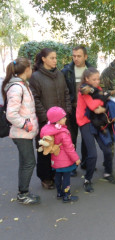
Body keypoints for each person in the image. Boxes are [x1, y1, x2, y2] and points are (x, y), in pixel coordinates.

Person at [29, 48, 72, 189]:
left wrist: (66, 112)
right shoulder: (36, 77)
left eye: (55, 58)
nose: (55, 60)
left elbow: (66, 93)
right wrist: (45, 117)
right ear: (44, 59)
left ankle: (56, 174)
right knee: (45, 148)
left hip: (60, 121)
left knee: (58, 147)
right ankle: (45, 177)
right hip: (46, 122)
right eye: (52, 58)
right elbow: (35, 99)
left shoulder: (59, 74)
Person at [1, 58, 40, 204]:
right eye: (31, 68)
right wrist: (26, 125)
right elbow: (11, 114)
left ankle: (23, 192)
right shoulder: (17, 87)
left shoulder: (23, 85)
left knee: (25, 162)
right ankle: (23, 194)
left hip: (24, 132)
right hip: (21, 133)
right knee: (29, 163)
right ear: (27, 69)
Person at [77, 67, 115, 193]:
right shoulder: (84, 91)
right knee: (92, 154)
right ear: (86, 79)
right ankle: (87, 180)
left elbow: (102, 104)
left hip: (98, 121)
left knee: (107, 148)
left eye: (98, 79)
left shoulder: (98, 89)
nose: (97, 81)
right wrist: (103, 101)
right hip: (85, 122)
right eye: (94, 79)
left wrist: (104, 107)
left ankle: (108, 173)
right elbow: (93, 106)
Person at [62, 46, 92, 175]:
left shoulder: (91, 71)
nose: (76, 58)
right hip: (72, 109)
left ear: (85, 57)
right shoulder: (67, 71)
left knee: (86, 137)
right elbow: (64, 91)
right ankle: (72, 165)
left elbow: (97, 88)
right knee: (71, 138)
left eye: (79, 56)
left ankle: (85, 163)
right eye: (74, 56)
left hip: (86, 110)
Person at [40, 107, 80, 202]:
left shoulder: (49, 129)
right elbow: (69, 148)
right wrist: (76, 159)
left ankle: (59, 193)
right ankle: (67, 195)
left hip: (55, 159)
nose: (65, 119)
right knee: (66, 178)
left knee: (57, 176)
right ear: (57, 121)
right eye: (63, 118)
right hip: (65, 161)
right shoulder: (63, 133)